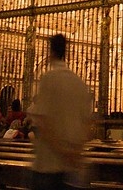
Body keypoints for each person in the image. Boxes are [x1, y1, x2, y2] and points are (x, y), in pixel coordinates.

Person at [28, 33, 92, 190]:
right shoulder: (80, 83)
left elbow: (43, 123)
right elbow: (87, 124)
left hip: (48, 164)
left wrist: (62, 151)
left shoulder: (49, 79)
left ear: (52, 52)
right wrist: (75, 152)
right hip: (71, 166)